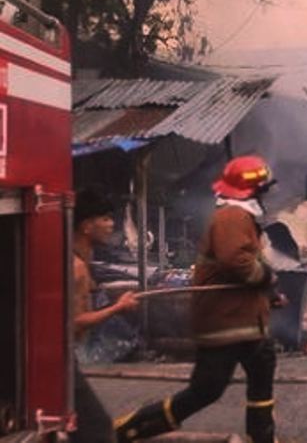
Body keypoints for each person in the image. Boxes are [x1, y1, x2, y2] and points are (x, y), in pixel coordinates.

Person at [114, 156, 281, 443]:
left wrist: (268, 296)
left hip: (241, 322)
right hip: (227, 324)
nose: (266, 194)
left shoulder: (240, 216)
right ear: (253, 191)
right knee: (206, 390)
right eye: (263, 189)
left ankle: (261, 437)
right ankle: (133, 428)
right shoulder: (232, 216)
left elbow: (240, 268)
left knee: (261, 368)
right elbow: (237, 262)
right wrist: (266, 277)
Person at [72, 189, 140, 442]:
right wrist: (118, 307)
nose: (112, 224)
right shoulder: (76, 267)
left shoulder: (82, 260)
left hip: (67, 359)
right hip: (59, 362)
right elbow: (74, 322)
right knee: (97, 430)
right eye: (105, 218)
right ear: (86, 226)